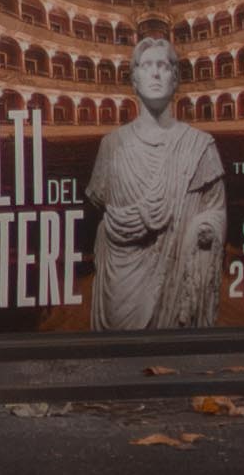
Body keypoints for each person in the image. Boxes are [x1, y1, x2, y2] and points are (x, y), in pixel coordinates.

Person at [81, 31, 233, 333]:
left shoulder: (200, 145)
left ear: (175, 78)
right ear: (133, 79)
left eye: (163, 66)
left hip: (176, 272)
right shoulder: (111, 146)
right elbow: (101, 202)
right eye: (146, 65)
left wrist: (205, 227)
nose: (154, 73)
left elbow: (216, 209)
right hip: (120, 279)